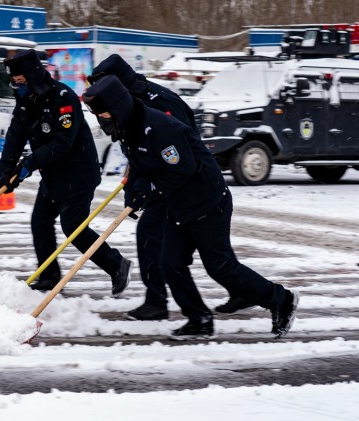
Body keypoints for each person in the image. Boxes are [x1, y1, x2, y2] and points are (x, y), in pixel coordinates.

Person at [82, 76, 299, 340]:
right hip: (178, 203)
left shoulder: (160, 128)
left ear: (118, 107)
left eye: (103, 113)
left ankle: (281, 299)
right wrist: (133, 192)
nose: (102, 120)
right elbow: (139, 165)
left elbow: (182, 171)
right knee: (170, 263)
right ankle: (199, 319)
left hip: (206, 201)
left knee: (220, 267)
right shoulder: (128, 127)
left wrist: (150, 191)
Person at [87, 54, 253, 320]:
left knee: (153, 237)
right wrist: (133, 186)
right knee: (210, 251)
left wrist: (152, 185)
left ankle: (157, 301)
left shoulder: (159, 102)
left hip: (182, 181)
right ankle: (240, 289)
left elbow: (179, 148)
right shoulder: (130, 104)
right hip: (163, 178)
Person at [0, 49, 133, 295]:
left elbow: (62, 143)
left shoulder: (62, 97)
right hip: (52, 174)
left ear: (33, 76)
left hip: (77, 174)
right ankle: (48, 277)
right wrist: (6, 171)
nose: (17, 87)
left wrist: (29, 163)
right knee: (40, 223)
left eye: (20, 81)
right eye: (14, 83)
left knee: (73, 228)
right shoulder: (26, 100)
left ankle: (116, 265)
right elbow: (16, 134)